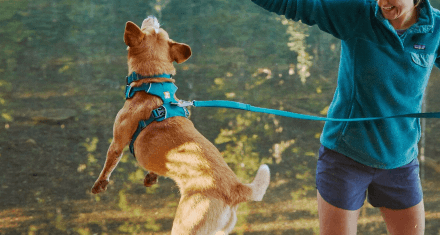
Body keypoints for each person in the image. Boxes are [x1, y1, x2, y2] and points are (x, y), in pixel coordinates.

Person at [249, 0, 440, 234]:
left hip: (400, 161)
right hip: (345, 157)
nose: (382, 2)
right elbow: (295, 4)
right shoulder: (358, 13)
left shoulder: (435, 28)